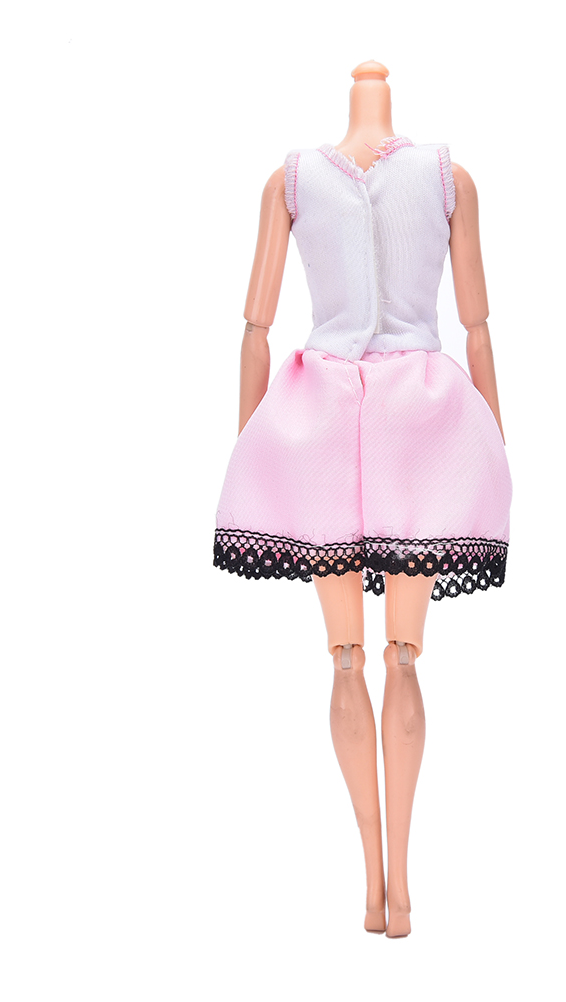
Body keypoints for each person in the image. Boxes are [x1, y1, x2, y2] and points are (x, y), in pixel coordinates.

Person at [213, 61, 512, 937]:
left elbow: (254, 331)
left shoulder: (298, 180)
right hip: (421, 418)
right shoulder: (442, 178)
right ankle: (396, 887)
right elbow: (479, 329)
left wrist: (250, 446)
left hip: (326, 418)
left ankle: (380, 881)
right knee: (398, 657)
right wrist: (496, 440)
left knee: (350, 657)